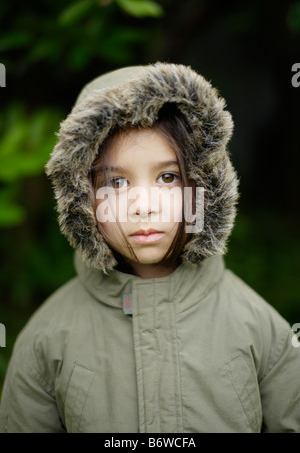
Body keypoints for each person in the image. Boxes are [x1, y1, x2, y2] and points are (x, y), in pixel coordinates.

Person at [0, 62, 299, 433]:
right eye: (116, 182)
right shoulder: (48, 338)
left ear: (204, 187)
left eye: (168, 177)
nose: (144, 205)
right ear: (81, 197)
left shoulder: (260, 329)